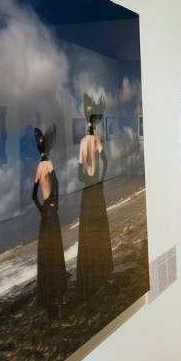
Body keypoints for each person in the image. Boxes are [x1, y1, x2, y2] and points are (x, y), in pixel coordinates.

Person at [76, 94, 112, 297]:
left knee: (88, 232)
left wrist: (88, 180)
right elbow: (105, 162)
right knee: (99, 229)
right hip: (97, 189)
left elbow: (79, 173)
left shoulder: (82, 142)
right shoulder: (96, 140)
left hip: (86, 191)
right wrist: (101, 179)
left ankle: (89, 276)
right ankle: (102, 274)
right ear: (95, 122)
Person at [32, 125, 68, 315]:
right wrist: (51, 208)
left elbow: (33, 196)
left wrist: (43, 211)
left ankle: (51, 298)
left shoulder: (40, 166)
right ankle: (57, 297)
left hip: (47, 212)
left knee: (47, 252)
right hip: (50, 213)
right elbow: (55, 188)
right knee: (53, 251)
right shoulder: (47, 165)